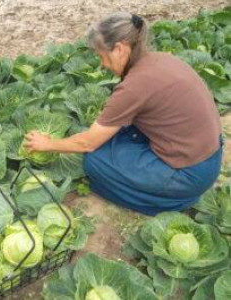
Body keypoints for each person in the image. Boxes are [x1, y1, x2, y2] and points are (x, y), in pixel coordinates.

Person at [23, 12, 223, 216]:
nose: (102, 64)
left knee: (95, 161)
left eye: (102, 56)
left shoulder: (134, 86)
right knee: (114, 136)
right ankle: (173, 191)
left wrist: (47, 144)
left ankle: (169, 202)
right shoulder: (161, 59)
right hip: (209, 155)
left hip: (189, 174)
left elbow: (88, 143)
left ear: (119, 49)